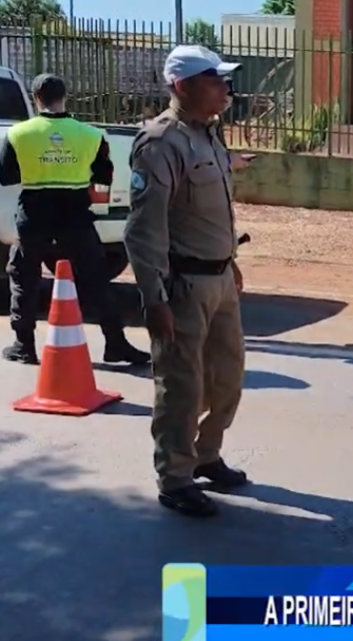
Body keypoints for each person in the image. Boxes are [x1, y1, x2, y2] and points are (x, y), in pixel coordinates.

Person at [125, 45, 247, 518]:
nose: (225, 89)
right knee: (181, 386)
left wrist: (231, 259)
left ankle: (205, 455)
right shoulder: (161, 143)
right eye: (214, 80)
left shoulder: (210, 137)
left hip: (218, 279)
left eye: (224, 80)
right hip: (182, 285)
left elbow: (215, 212)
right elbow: (145, 227)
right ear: (182, 86)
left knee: (227, 377)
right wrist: (153, 298)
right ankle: (175, 477)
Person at [0, 74, 150, 366]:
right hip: (76, 216)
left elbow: (5, 176)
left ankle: (24, 345)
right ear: (64, 97)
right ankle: (116, 344)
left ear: (36, 98)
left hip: (34, 214)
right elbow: (104, 176)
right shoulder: (91, 135)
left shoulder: (18, 134)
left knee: (24, 278)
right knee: (96, 280)